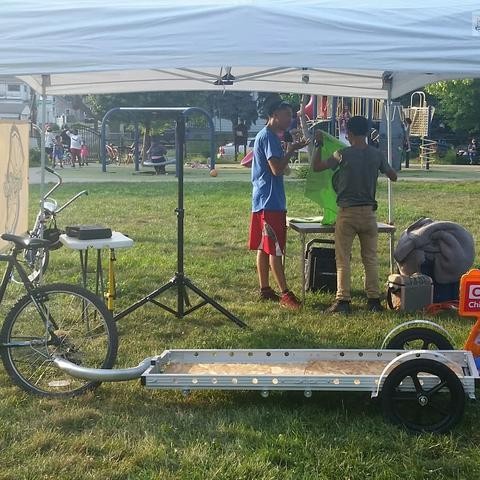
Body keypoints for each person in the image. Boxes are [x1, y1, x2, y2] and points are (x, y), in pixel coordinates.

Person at [312, 116, 398, 314]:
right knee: (371, 258)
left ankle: (343, 301)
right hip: (369, 214)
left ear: (349, 133)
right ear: (367, 132)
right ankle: (374, 300)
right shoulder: (376, 155)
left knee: (343, 258)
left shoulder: (342, 154)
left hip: (347, 213)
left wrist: (318, 144)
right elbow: (393, 176)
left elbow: (317, 167)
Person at [249, 100, 309, 309]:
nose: (290, 119)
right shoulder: (269, 137)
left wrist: (292, 148)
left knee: (264, 248)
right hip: (270, 202)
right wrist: (291, 150)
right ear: (274, 114)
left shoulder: (265, 136)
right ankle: (285, 293)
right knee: (275, 249)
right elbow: (276, 169)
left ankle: (265, 289)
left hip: (262, 200)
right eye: (286, 114)